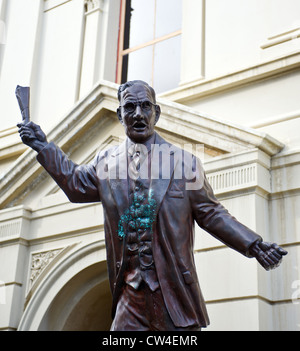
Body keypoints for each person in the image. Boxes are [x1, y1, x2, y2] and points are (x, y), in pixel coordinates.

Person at [17, 80, 287, 331]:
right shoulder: (106, 163)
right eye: (129, 107)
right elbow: (75, 184)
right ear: (119, 114)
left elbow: (212, 214)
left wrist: (254, 245)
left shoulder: (185, 163)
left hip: (173, 291)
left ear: (156, 113)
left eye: (145, 106)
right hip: (130, 294)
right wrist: (42, 146)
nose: (138, 114)